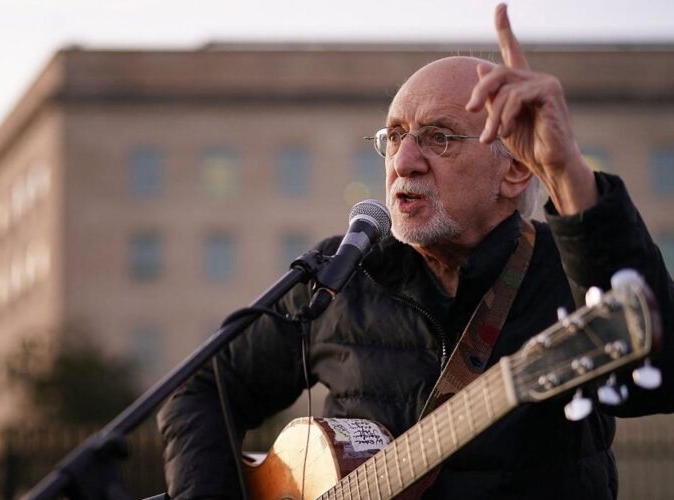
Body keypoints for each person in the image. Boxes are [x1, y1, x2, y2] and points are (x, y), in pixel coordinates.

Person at [157, 4, 674, 499]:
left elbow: (661, 371)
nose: (403, 161)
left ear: (515, 169)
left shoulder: (570, 271)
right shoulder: (341, 273)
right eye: (395, 136)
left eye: (440, 138)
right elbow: (199, 389)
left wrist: (567, 174)